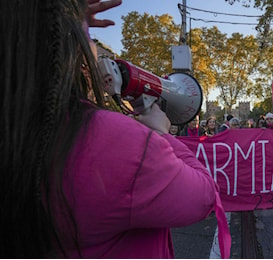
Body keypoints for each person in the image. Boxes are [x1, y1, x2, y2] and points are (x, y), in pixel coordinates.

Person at [0, 0, 230, 258]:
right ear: (71, 48)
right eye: (90, 39)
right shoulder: (114, 142)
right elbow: (204, 195)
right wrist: (161, 134)